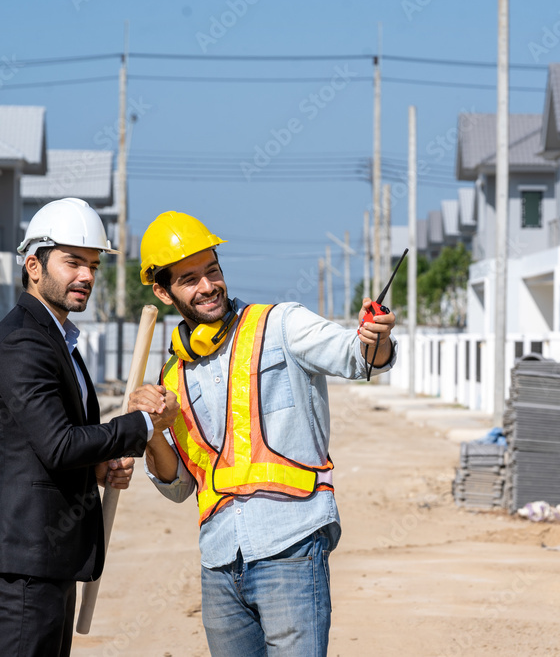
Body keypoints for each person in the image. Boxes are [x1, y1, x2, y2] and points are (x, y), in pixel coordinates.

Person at [134, 211, 396, 656]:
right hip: (219, 561)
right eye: (189, 279)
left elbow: (359, 358)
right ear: (163, 291)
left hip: (291, 546)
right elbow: (178, 485)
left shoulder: (281, 324)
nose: (207, 286)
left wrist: (377, 336)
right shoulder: (171, 376)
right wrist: (152, 432)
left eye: (212, 271)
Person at [0, 198, 178, 657]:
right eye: (72, 262)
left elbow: (46, 444)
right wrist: (142, 424)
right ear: (33, 266)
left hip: (49, 554)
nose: (86, 276)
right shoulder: (23, 342)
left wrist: (98, 466)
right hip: (25, 557)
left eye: (93, 266)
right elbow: (59, 445)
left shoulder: (57, 338)